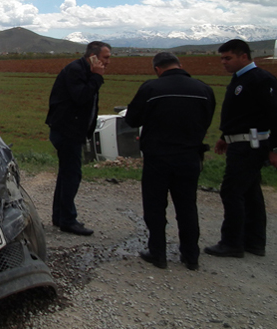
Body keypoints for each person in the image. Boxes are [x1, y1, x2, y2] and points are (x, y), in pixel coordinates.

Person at [125, 52, 216, 270]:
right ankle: (191, 256)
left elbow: (132, 119)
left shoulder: (151, 89)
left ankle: (158, 254)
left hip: (158, 158)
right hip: (190, 157)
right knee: (187, 206)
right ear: (180, 65)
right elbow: (207, 119)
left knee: (155, 206)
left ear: (157, 69)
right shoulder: (204, 89)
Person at [204, 39, 277, 258]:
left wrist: (274, 149)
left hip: (251, 144)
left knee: (232, 191)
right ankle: (254, 242)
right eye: (222, 58)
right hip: (237, 141)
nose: (223, 63)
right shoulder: (239, 79)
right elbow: (241, 114)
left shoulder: (261, 79)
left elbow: (274, 115)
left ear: (243, 56)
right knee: (250, 192)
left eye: (228, 58)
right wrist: (225, 136)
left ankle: (232, 242)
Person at [45, 41, 111, 236]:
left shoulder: (84, 70)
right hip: (66, 131)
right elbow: (81, 97)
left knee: (67, 174)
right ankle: (67, 220)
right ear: (93, 56)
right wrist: (97, 77)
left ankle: (60, 217)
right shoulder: (76, 70)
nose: (108, 62)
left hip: (72, 131)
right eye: (105, 57)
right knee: (72, 175)